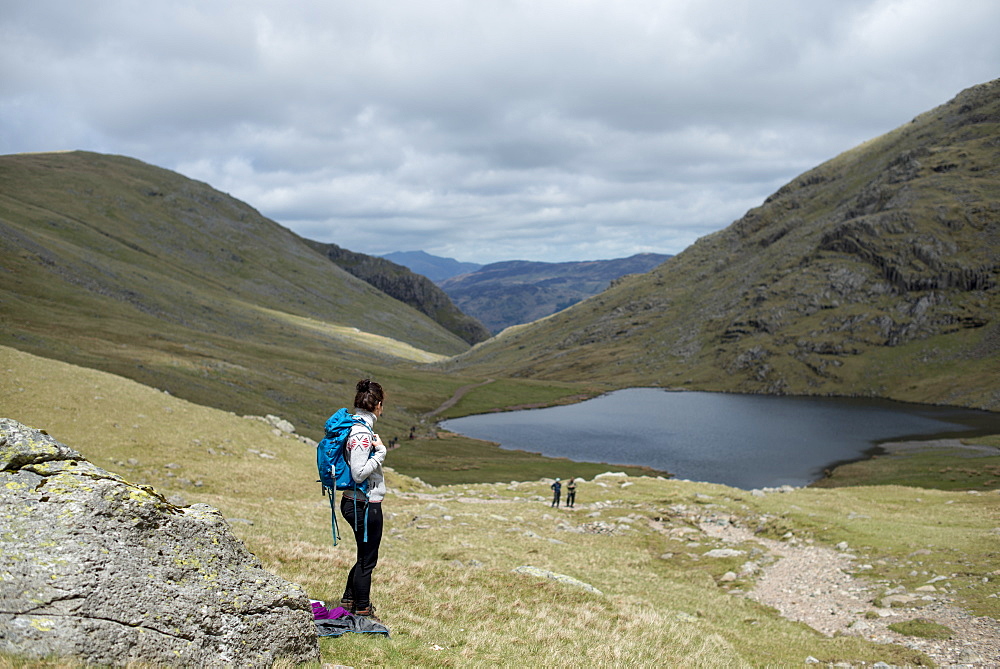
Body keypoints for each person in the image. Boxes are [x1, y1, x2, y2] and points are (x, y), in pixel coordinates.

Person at [340, 379, 388, 622]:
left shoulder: (355, 425)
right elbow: (359, 472)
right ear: (377, 405)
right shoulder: (361, 432)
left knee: (364, 556)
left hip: (356, 502)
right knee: (368, 560)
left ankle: (349, 598)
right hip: (364, 505)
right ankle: (362, 609)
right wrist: (380, 453)